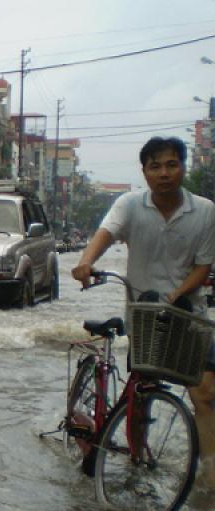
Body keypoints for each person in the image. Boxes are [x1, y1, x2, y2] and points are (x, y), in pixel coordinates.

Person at [71, 136, 215, 487]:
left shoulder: (206, 211)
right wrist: (86, 263)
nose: (164, 173)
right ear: (145, 172)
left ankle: (210, 475)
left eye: (171, 164)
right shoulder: (130, 205)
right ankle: (138, 459)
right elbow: (106, 233)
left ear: (183, 167)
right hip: (145, 317)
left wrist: (177, 294)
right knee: (141, 397)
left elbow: (203, 266)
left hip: (189, 316)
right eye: (155, 166)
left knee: (206, 394)